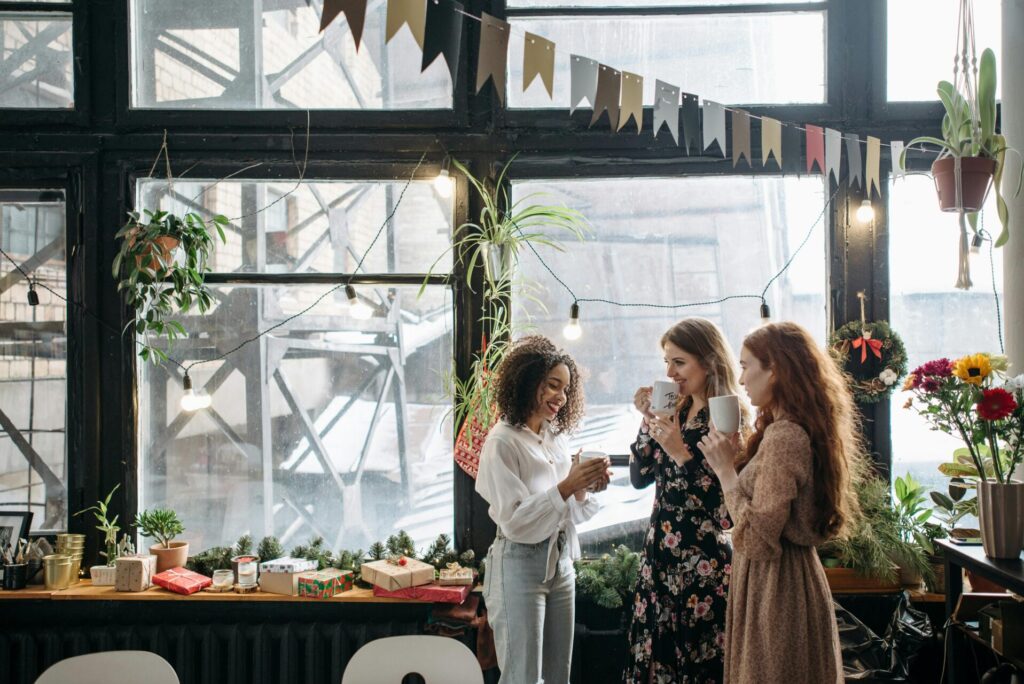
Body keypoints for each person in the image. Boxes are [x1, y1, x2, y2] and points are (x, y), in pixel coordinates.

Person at [698, 321, 861, 684]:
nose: (740, 379)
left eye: (745, 365)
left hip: (776, 586)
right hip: (785, 579)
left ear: (775, 369)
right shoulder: (789, 428)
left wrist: (726, 471)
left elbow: (757, 537)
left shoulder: (784, 435)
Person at [476, 335, 611, 684]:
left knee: (556, 677)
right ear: (527, 381)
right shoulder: (502, 442)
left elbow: (568, 512)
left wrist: (584, 486)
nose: (561, 397)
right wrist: (567, 485)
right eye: (552, 385)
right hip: (519, 563)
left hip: (560, 563)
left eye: (566, 389)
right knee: (522, 677)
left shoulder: (555, 439)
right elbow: (516, 522)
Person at [623, 318, 749, 684]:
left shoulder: (726, 418)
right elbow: (638, 478)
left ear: (708, 363)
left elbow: (726, 513)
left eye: (679, 362)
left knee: (697, 668)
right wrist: (649, 420)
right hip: (659, 563)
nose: (669, 372)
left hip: (702, 571)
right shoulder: (674, 410)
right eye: (666, 362)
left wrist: (681, 454)